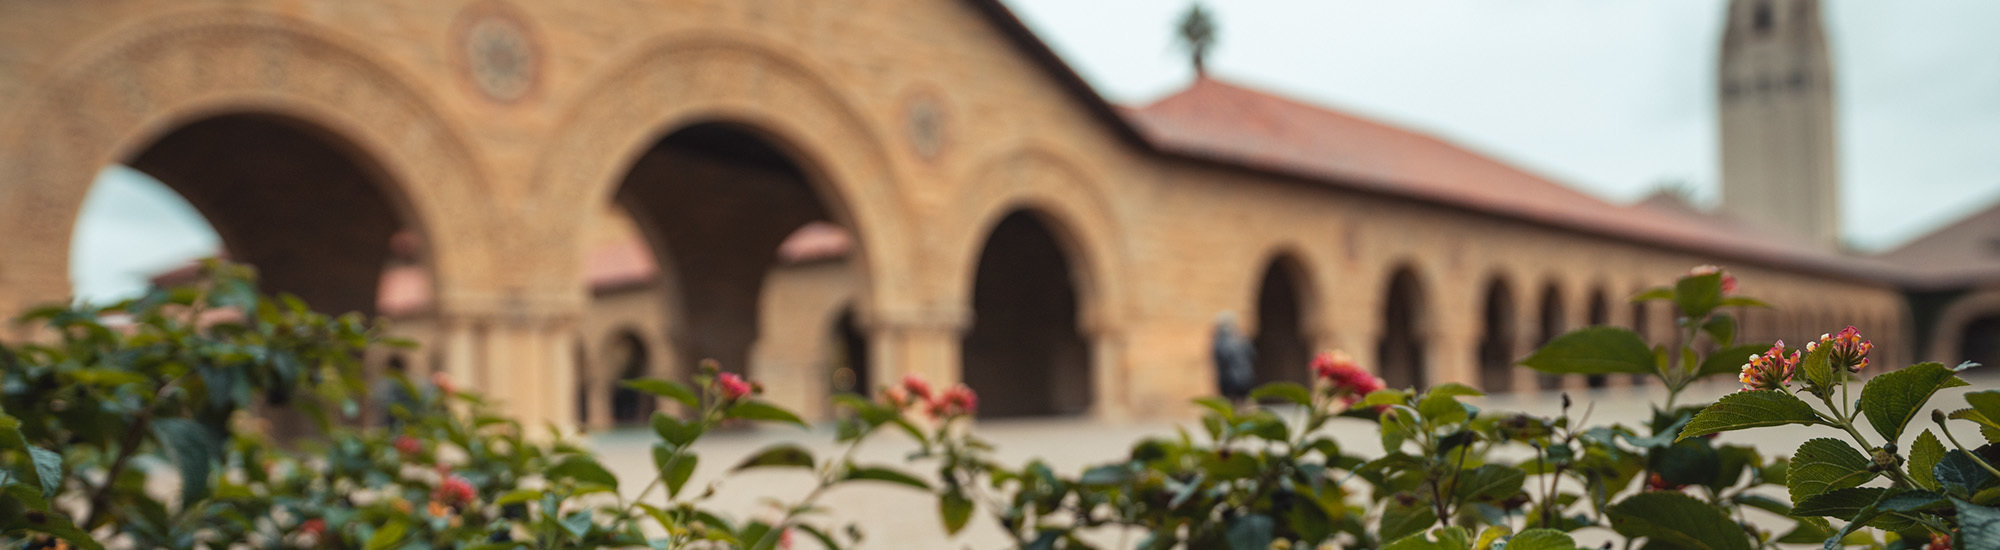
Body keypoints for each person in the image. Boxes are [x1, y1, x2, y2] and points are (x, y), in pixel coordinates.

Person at [1212, 312, 1256, 403]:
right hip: (1245, 376)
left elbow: (1221, 358)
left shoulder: (1220, 341)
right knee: (1243, 402)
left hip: (1229, 379)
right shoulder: (1242, 338)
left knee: (1232, 404)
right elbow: (1253, 354)